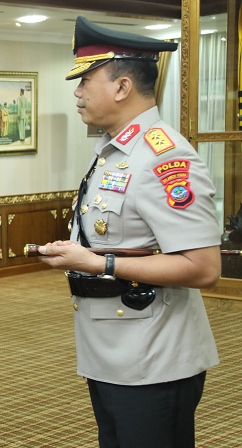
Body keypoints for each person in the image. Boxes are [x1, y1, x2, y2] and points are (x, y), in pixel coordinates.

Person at [36, 16, 220, 448]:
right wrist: (77, 254)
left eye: (85, 81)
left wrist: (97, 262)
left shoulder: (164, 156)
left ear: (122, 87)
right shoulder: (114, 151)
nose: (77, 92)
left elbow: (203, 267)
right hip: (111, 351)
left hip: (154, 358)